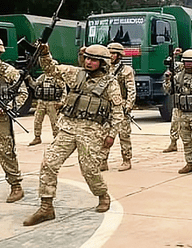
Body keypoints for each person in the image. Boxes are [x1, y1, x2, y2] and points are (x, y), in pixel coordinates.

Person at [23, 44, 124, 226]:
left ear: (102, 63)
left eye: (93, 60)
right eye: (86, 58)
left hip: (92, 131)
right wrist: (45, 53)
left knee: (89, 169)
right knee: (49, 162)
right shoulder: (75, 73)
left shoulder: (110, 84)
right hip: (68, 127)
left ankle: (102, 195)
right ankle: (46, 207)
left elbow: (118, 111)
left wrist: (112, 134)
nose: (88, 62)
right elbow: (51, 69)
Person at [0, 35, 28, 203]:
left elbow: (22, 93)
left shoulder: (8, 71)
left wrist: (9, 106)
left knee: (5, 153)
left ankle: (16, 186)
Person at [99, 42, 136, 172]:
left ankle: (127, 160)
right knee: (104, 135)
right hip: (106, 107)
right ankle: (103, 161)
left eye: (113, 53)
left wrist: (129, 105)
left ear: (119, 55)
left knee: (124, 135)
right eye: (109, 53)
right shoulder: (104, 69)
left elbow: (131, 89)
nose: (111, 56)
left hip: (121, 106)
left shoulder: (126, 70)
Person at [27, 70, 66, 146]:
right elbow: (35, 85)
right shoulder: (43, 77)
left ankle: (56, 137)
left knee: (54, 122)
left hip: (53, 103)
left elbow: (64, 90)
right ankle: (37, 137)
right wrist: (29, 79)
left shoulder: (57, 79)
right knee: (37, 120)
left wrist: (62, 102)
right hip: (41, 102)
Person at [162, 48, 183, 153]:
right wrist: (167, 79)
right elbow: (167, 90)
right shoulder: (173, 76)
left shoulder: (190, 73)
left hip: (189, 104)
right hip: (178, 103)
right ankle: (173, 143)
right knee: (174, 123)